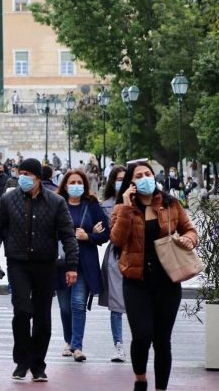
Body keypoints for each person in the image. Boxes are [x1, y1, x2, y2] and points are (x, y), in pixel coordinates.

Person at [0, 158, 79, 382]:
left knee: (42, 316)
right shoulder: (8, 199)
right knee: (22, 311)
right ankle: (21, 360)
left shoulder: (56, 202)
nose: (23, 177)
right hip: (18, 262)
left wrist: (72, 266)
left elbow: (68, 234)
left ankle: (38, 364)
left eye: (28, 173)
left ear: (38, 177)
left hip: (46, 264)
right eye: (21, 172)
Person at [111, 161, 198, 391]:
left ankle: (161, 388)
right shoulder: (122, 209)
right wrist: (128, 207)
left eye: (148, 174)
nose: (144, 178)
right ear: (131, 183)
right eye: (138, 176)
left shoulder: (170, 203)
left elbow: (189, 229)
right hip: (136, 281)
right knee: (141, 335)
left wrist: (190, 239)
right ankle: (140, 379)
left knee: (162, 340)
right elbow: (117, 241)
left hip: (167, 281)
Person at [54, 170, 110, 362]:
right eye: (72, 182)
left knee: (77, 304)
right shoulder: (57, 203)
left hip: (84, 263)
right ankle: (68, 341)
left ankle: (77, 346)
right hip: (61, 263)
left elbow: (106, 233)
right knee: (64, 308)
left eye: (79, 182)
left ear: (84, 184)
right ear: (65, 185)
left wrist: (89, 236)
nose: (76, 185)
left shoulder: (92, 205)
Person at [99, 165, 127, 362]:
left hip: (139, 255)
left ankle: (141, 342)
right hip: (117, 254)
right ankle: (119, 345)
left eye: (125, 179)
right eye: (118, 179)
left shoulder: (141, 203)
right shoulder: (105, 206)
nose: (121, 182)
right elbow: (105, 234)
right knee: (116, 303)